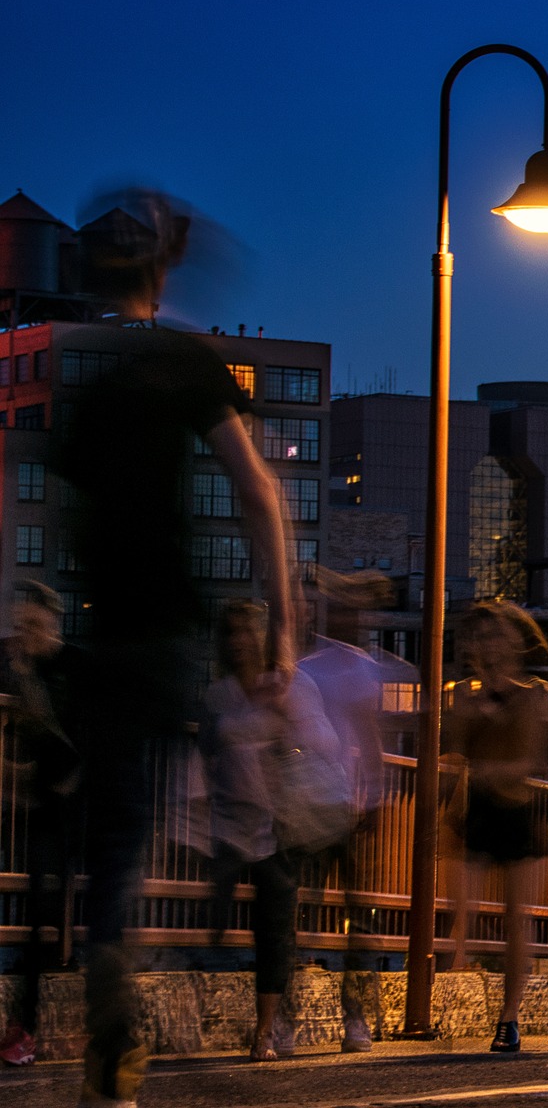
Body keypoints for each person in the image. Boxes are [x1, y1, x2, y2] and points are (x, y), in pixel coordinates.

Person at [51, 190, 295, 1107]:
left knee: (109, 841)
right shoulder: (185, 364)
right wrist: (284, 626)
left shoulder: (92, 377)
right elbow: (260, 493)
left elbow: (66, 508)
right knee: (183, 799)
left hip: (99, 636)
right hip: (168, 639)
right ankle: (134, 977)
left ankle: (109, 955)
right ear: (165, 269)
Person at [202, 602, 340, 1062]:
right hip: (228, 822)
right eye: (232, 632)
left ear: (262, 638)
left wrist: (287, 733)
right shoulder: (219, 694)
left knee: (274, 926)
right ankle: (258, 1006)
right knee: (213, 917)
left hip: (280, 822)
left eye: (248, 632)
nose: (240, 640)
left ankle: (264, 1030)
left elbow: (326, 741)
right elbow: (207, 750)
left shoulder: (290, 685)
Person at [443, 601, 548, 1056]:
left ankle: (508, 1019)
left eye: (494, 635)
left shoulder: (538, 695)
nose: (486, 644)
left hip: (518, 811)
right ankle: (449, 989)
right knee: (459, 912)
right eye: (480, 637)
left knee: (516, 920)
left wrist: (489, 764)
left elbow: (530, 762)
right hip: (474, 809)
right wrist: (473, 709)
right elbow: (456, 750)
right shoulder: (464, 693)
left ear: (515, 639)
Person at [298, 569, 395, 1053]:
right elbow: (370, 737)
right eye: (344, 608)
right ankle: (348, 1021)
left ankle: (346, 1018)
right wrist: (376, 798)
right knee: (349, 915)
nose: (351, 617)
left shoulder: (318, 668)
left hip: (336, 803)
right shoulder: (323, 668)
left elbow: (369, 738)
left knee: (336, 913)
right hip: (326, 802)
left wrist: (374, 798)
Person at [0, 582, 81, 1067]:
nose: (24, 635)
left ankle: (25, 1028)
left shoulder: (71, 668)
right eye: (18, 626)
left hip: (61, 813)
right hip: (23, 809)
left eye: (32, 625)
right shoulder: (13, 665)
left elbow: (75, 753)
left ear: (53, 623)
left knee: (42, 914)